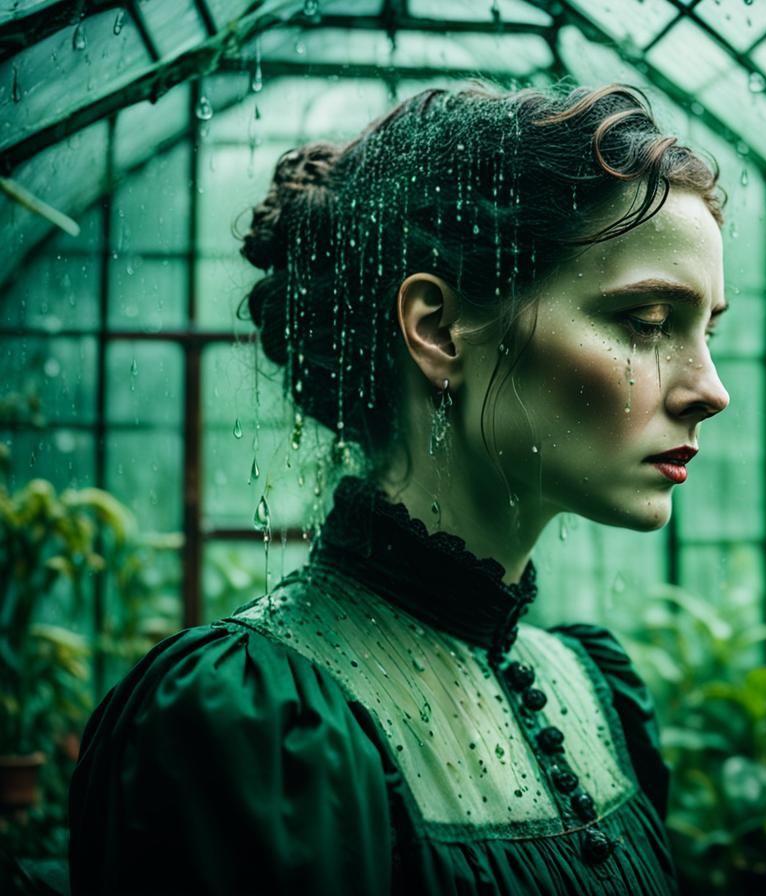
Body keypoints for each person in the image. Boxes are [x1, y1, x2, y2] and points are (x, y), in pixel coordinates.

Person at [69, 82, 729, 895]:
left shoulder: (596, 691)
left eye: (709, 330)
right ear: (439, 329)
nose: (710, 387)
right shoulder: (250, 728)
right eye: (649, 323)